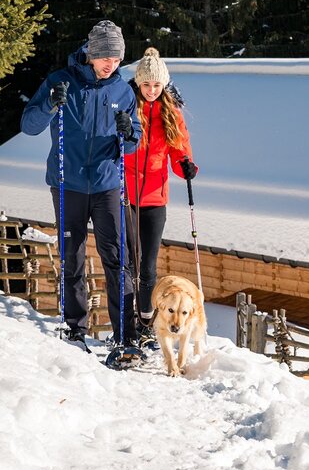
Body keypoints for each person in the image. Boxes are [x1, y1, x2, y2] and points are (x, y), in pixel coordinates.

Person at [21, 20, 141, 348]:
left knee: (117, 258)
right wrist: (49, 104)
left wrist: (128, 132)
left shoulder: (123, 90)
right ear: (91, 52)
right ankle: (75, 328)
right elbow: (29, 125)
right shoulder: (60, 81)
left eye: (116, 59)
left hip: (106, 185)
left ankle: (126, 335)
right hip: (67, 183)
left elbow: (133, 143)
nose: (110, 64)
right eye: (105, 57)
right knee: (71, 256)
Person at [124, 48, 197, 346]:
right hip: (124, 196)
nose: (151, 90)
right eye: (146, 85)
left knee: (149, 267)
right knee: (129, 263)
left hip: (155, 198)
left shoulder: (172, 114)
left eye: (156, 85)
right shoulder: (127, 108)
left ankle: (144, 321)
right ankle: (124, 321)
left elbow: (181, 151)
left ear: (163, 85)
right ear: (138, 84)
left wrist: (187, 166)